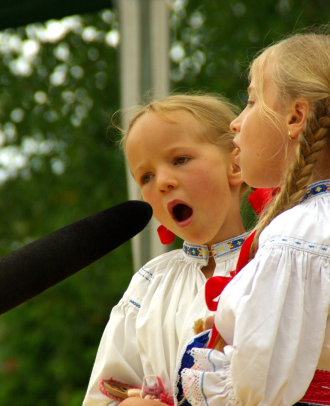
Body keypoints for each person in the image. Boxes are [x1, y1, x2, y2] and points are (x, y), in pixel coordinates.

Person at [177, 31, 330, 406]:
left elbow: (259, 386)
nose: (235, 123)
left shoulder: (299, 233)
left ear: (296, 116)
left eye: (251, 101)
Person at [82, 94, 251, 406]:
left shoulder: (275, 261)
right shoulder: (148, 285)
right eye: (146, 176)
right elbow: (103, 394)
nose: (162, 182)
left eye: (179, 160)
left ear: (236, 163)